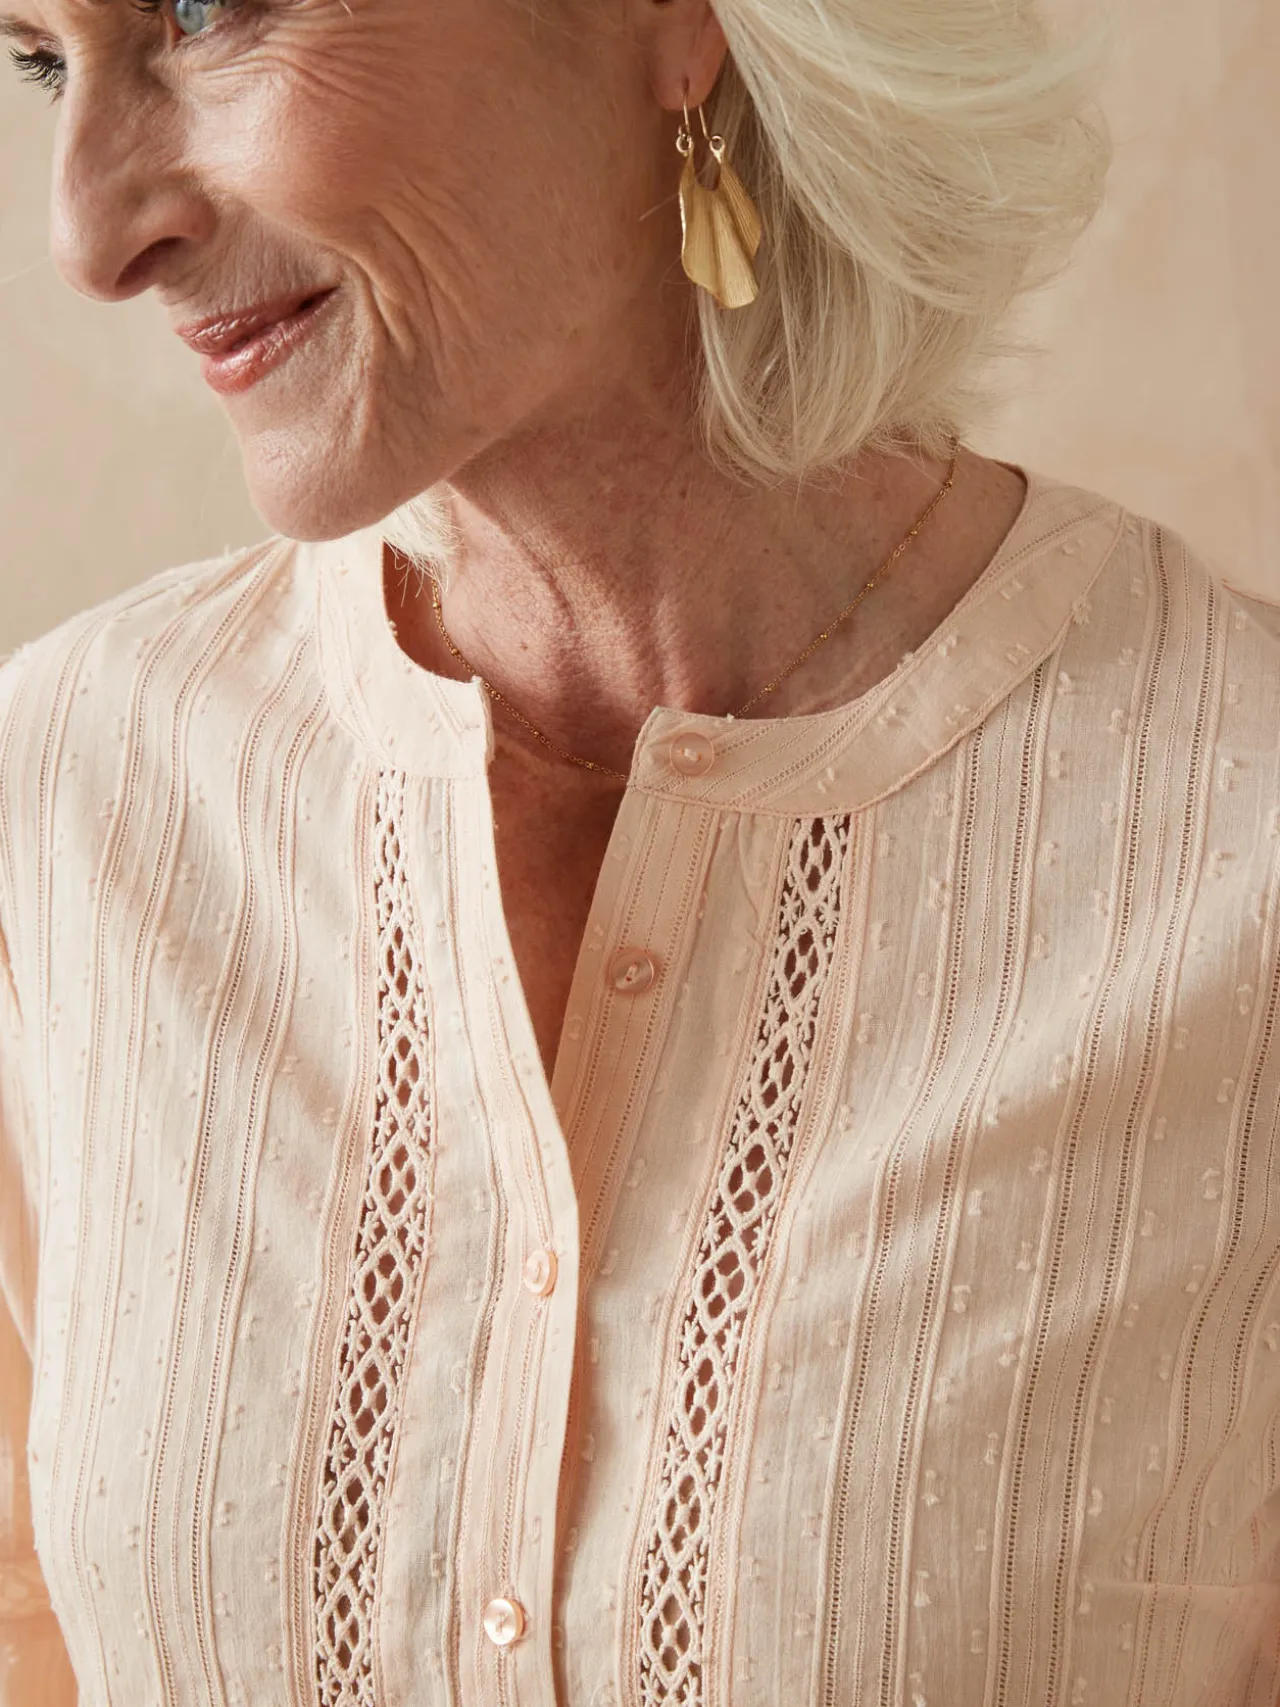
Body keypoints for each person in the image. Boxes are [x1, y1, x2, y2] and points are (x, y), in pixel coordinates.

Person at [1, 0, 1278, 1699]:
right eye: (40, 60)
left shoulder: (1234, 847)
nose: (89, 234)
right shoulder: (69, 794)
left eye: (205, 8)